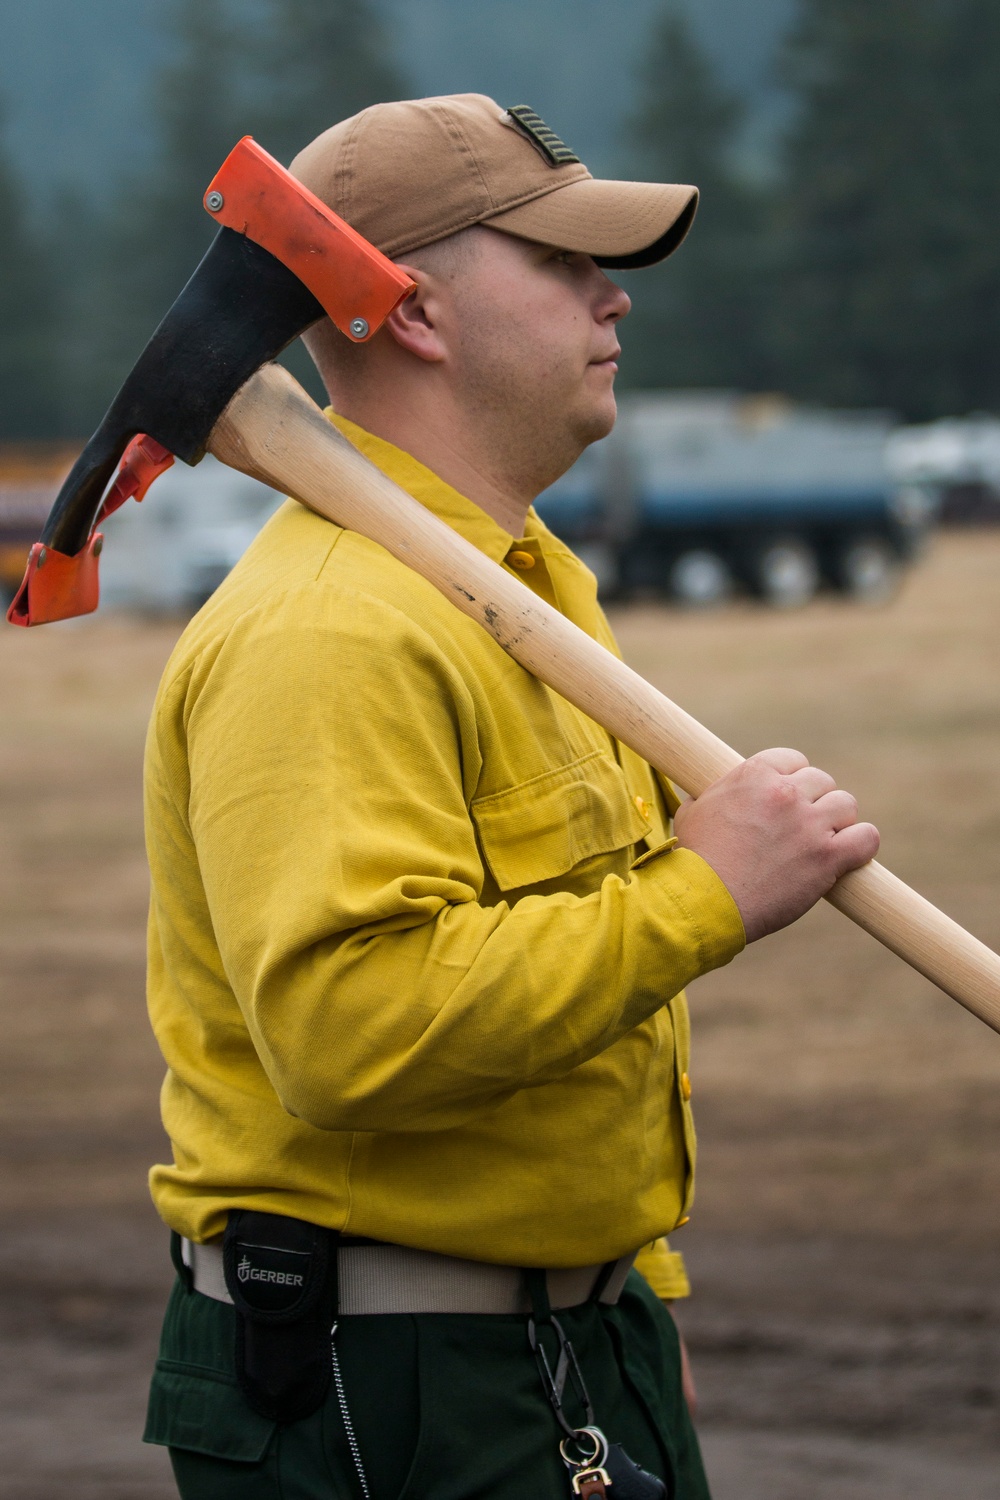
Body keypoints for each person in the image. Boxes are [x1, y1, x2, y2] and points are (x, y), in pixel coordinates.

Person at [141, 94, 879, 1499]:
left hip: (566, 1341)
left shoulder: (526, 586)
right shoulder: (329, 632)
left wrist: (622, 1290)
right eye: (561, 262)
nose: (612, 299)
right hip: (391, 1384)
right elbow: (349, 1032)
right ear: (413, 313)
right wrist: (707, 891)